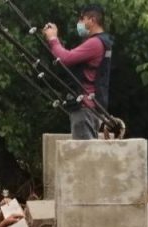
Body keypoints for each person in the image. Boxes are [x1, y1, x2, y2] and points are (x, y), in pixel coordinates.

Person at [43, 4, 114, 139]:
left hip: (85, 108)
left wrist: (53, 39)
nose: (79, 23)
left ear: (92, 20)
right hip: (92, 106)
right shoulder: (103, 42)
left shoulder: (95, 43)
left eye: (82, 19)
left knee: (83, 156)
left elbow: (65, 58)